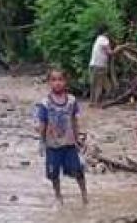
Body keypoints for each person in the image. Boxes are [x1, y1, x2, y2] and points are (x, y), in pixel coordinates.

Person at [35, 68, 88, 205]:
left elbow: (74, 120)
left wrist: (78, 138)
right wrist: (41, 142)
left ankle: (84, 195)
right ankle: (58, 195)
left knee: (78, 170)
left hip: (69, 144)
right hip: (52, 145)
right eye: (53, 80)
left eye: (60, 79)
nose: (57, 83)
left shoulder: (71, 101)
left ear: (65, 82)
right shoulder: (44, 103)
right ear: (49, 83)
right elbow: (42, 123)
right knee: (53, 174)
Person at [88, 26, 116, 107]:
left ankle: (92, 102)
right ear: (106, 32)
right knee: (99, 85)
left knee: (93, 84)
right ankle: (97, 103)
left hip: (93, 64)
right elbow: (110, 52)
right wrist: (118, 49)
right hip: (100, 65)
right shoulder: (104, 39)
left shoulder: (98, 39)